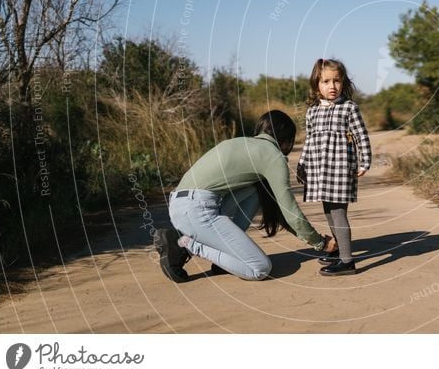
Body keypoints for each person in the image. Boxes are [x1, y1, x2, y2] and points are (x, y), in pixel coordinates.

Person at [153, 110, 337, 283]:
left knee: (256, 189)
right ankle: (185, 244)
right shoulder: (273, 156)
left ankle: (224, 257)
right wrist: (319, 243)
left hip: (180, 204)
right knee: (259, 268)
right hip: (198, 210)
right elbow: (289, 209)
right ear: (286, 140)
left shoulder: (238, 142)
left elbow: (272, 204)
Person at [297, 58, 372, 276]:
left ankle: (347, 262)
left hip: (340, 169)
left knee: (338, 213)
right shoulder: (312, 112)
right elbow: (309, 140)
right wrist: (302, 164)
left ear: (343, 83)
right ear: (316, 85)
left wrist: (364, 161)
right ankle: (339, 252)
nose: (332, 86)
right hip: (320, 170)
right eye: (326, 81)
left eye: (336, 81)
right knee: (329, 212)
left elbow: (361, 137)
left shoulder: (349, 108)